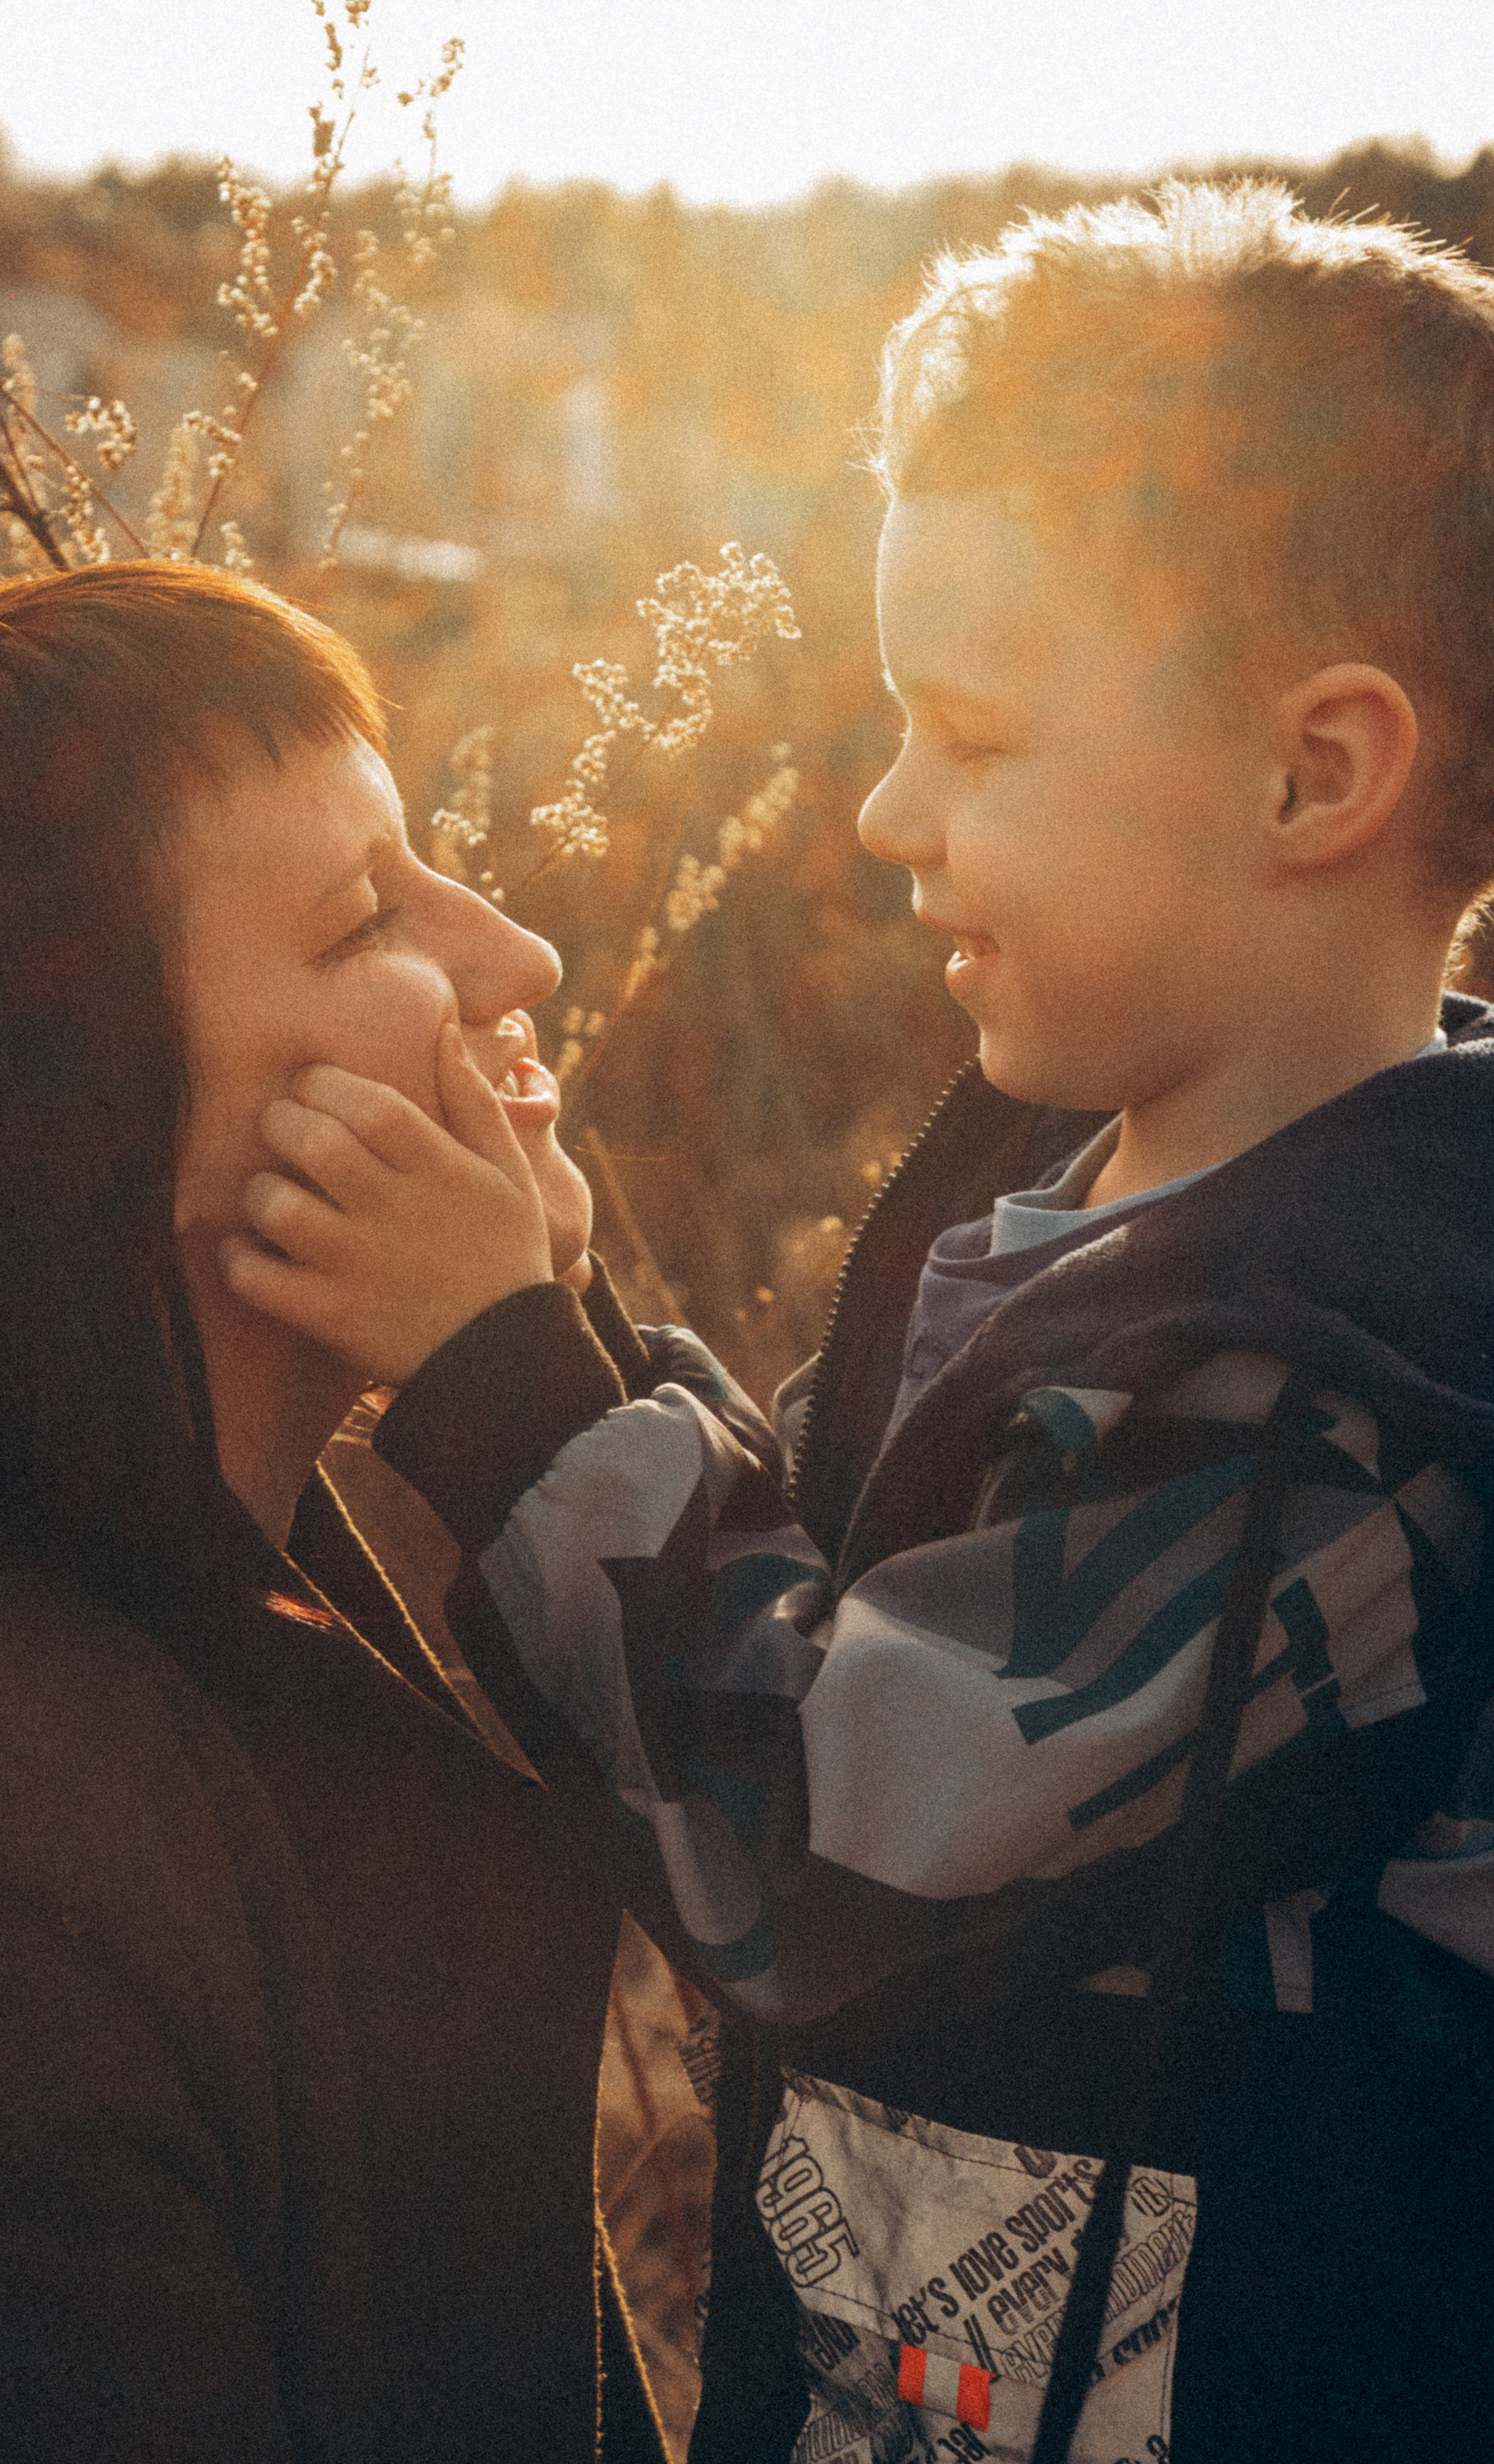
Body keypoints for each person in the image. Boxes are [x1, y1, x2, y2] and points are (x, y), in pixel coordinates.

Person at [224, 185, 1494, 2464]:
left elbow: (829, 1837)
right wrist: (580, 1323)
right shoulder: (1068, 1202)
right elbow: (835, 1599)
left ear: (1316, 774)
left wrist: (508, 1381)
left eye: (972, 736)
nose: (892, 810)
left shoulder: (1351, 1397)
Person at [0, 563, 666, 2464]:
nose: (515, 960)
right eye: (365, 918)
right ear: (68, 1113)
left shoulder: (218, 1603)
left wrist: (533, 1378)